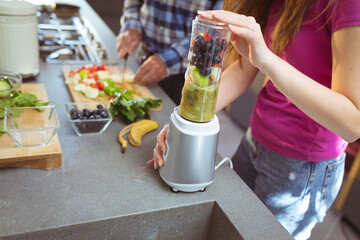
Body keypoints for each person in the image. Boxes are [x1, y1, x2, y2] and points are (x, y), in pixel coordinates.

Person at [148, 0, 360, 239]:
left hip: (301, 170)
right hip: (255, 142)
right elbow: (243, 69)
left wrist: (267, 60)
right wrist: (185, 123)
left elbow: (352, 123)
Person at [116, 0, 223, 105]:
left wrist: (167, 60)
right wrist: (132, 25)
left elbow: (214, 29)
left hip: (184, 76)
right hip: (143, 57)